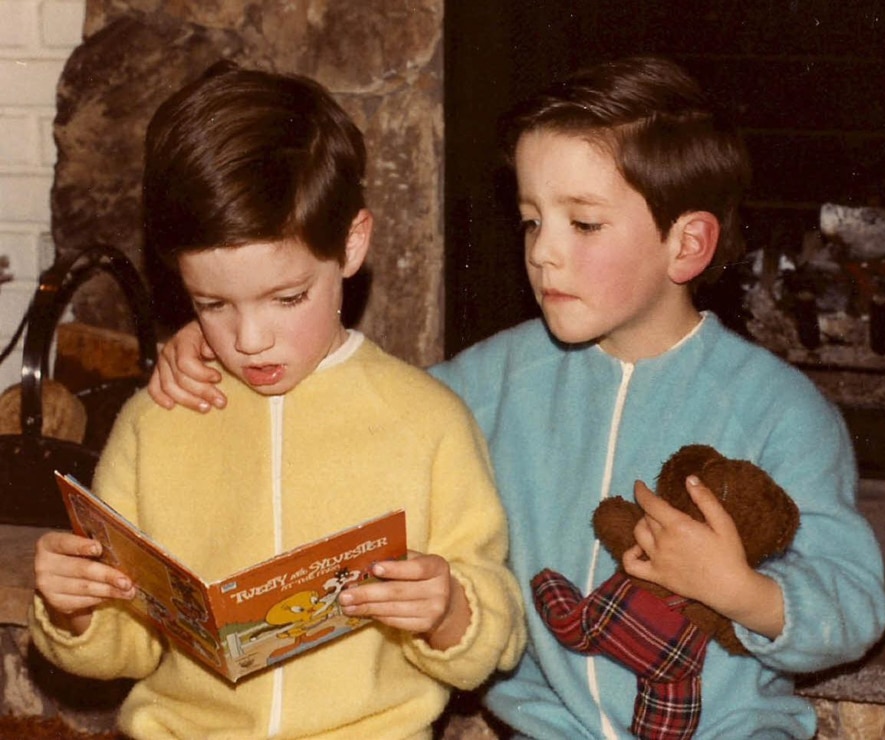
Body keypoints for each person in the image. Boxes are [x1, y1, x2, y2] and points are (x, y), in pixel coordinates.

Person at [147, 57, 885, 739]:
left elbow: (855, 601)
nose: (542, 250)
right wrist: (217, 341)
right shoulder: (490, 384)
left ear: (687, 245)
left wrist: (742, 591)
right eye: (532, 220)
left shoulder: (778, 410)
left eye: (583, 223)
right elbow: (358, 402)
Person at [29, 62, 525, 740]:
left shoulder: (428, 421)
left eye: (287, 298)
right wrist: (74, 609)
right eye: (212, 304)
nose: (250, 339)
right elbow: (125, 646)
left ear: (351, 243)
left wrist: (447, 609)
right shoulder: (159, 418)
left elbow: (497, 628)